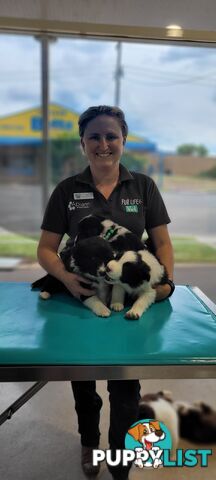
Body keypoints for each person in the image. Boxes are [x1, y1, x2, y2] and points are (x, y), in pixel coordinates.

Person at [37, 105, 174, 480]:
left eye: (111, 136)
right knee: (85, 387)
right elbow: (46, 249)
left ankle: (120, 457)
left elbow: (162, 243)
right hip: (84, 301)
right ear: (82, 143)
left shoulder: (143, 186)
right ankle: (88, 444)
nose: (103, 144)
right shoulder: (68, 190)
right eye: (94, 137)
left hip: (128, 303)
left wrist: (164, 282)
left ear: (123, 141)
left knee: (126, 391)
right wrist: (65, 278)